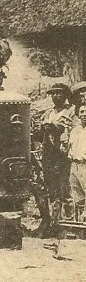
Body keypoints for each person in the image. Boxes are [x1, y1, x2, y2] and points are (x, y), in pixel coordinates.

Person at [39, 83, 75, 234]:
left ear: (65, 96)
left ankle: (68, 223)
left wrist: (57, 128)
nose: (55, 96)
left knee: (64, 188)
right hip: (49, 154)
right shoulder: (48, 113)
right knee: (50, 187)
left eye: (59, 93)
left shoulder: (71, 112)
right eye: (53, 94)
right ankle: (52, 222)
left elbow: (73, 130)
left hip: (62, 155)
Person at [67, 103, 86, 222]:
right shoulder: (75, 131)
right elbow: (69, 148)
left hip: (85, 164)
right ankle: (79, 221)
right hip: (74, 164)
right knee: (76, 192)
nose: (84, 114)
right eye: (82, 112)